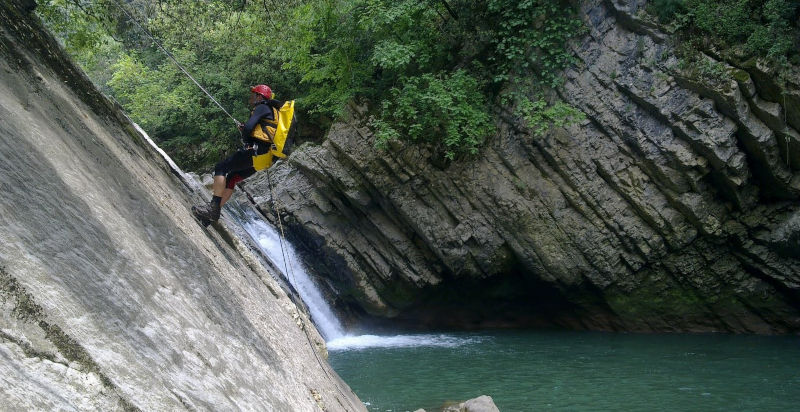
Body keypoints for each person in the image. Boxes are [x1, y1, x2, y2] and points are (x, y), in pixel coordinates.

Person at [192, 84, 284, 223]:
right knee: (233, 178)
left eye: (253, 94)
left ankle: (212, 209)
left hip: (255, 151)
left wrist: (246, 139)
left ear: (259, 96)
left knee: (221, 168)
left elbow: (248, 128)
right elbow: (263, 132)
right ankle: (211, 216)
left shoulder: (262, 107)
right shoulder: (274, 112)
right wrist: (248, 133)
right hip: (266, 158)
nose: (251, 97)